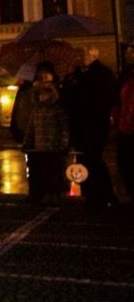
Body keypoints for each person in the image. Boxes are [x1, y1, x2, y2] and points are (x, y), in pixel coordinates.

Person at [64, 47, 119, 209]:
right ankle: (92, 195)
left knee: (93, 159)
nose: (79, 59)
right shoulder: (79, 75)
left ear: (91, 56)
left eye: (82, 56)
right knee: (85, 161)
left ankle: (104, 195)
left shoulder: (100, 74)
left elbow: (103, 98)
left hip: (94, 123)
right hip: (83, 125)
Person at [23, 62, 69, 203]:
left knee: (54, 171)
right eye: (41, 94)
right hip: (40, 146)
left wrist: (63, 143)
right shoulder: (36, 110)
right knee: (43, 172)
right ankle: (45, 193)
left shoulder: (56, 109)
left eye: (46, 94)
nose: (43, 96)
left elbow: (64, 127)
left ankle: (55, 193)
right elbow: (30, 128)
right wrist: (27, 142)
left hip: (53, 146)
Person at [115, 43, 134, 206]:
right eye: (128, 53)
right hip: (124, 123)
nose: (129, 55)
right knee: (124, 160)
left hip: (129, 122)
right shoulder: (124, 74)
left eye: (132, 53)